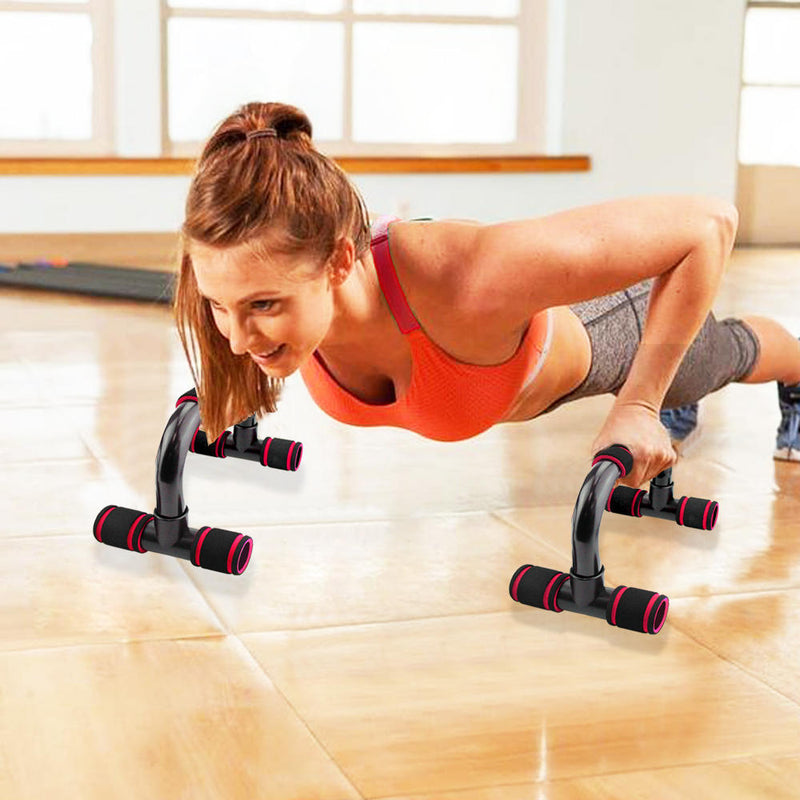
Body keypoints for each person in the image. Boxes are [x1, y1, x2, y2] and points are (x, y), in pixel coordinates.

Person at [174, 101, 800, 490]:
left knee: (719, 359)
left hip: (612, 326)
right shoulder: (253, 276)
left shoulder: (465, 282)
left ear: (340, 259)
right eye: (221, 306)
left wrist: (640, 402)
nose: (236, 335)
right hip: (523, 366)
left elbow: (707, 224)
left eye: (263, 306)